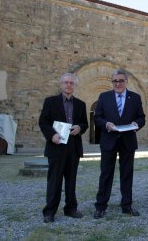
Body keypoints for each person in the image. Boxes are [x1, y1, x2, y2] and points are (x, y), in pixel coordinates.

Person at [93, 69, 146, 218]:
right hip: (109, 140)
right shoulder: (104, 97)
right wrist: (106, 124)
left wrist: (137, 123)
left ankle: (127, 205)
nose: (118, 83)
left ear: (126, 82)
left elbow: (142, 117)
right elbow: (97, 118)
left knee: (127, 174)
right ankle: (101, 206)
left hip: (128, 141)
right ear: (112, 82)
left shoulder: (135, 98)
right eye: (115, 81)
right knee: (106, 174)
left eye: (121, 80)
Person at [38, 73, 88, 223]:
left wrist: (80, 127)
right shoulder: (50, 102)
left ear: (75, 86)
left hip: (73, 146)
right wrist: (51, 135)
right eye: (66, 82)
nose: (68, 85)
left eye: (72, 83)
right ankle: (50, 211)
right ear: (61, 85)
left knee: (71, 180)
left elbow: (85, 123)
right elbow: (43, 122)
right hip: (56, 145)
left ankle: (71, 208)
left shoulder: (81, 104)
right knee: (54, 180)